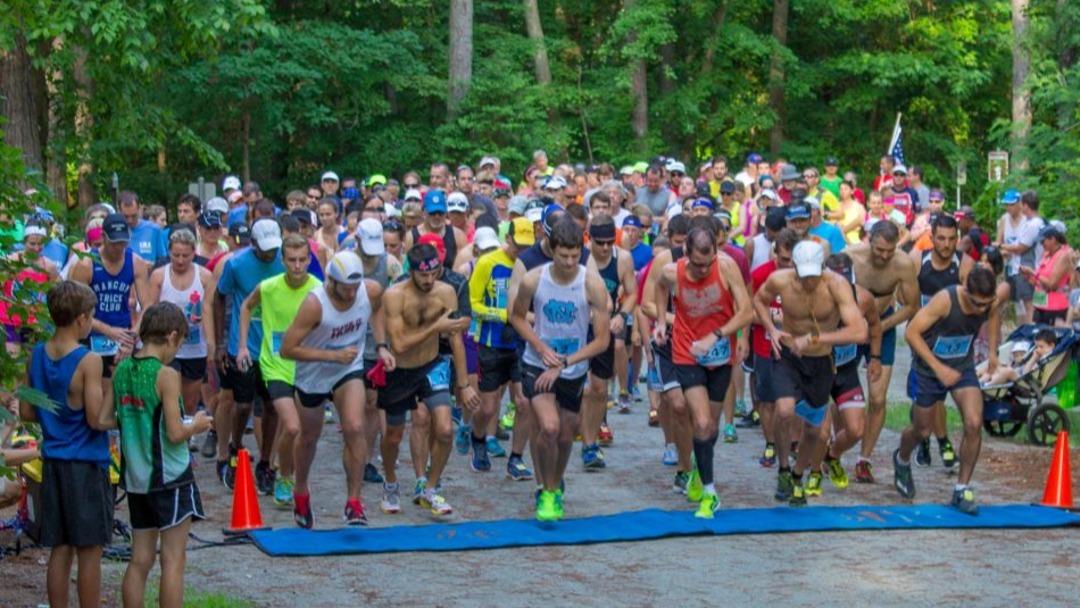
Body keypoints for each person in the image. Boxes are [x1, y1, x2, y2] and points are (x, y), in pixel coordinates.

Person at [105, 303, 212, 608]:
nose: (175, 352)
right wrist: (199, 425)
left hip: (136, 479)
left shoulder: (123, 368)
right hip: (170, 477)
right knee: (173, 560)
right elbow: (176, 433)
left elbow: (102, 419)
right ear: (172, 336)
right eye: (178, 346)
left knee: (140, 559)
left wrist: (134, 417)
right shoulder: (166, 375)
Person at [279, 251, 393, 525]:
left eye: (356, 287)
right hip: (313, 373)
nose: (353, 293)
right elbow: (287, 349)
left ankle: (354, 502)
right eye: (346, 287)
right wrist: (331, 355)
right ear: (331, 282)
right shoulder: (314, 304)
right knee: (309, 436)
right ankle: (301, 490)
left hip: (347, 368)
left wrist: (380, 346)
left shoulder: (370, 290)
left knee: (354, 427)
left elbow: (377, 309)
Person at [511, 218, 611, 521]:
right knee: (549, 427)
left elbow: (603, 340)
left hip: (572, 368)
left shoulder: (592, 283)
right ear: (551, 250)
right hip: (536, 363)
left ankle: (555, 482)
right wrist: (541, 348)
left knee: (567, 434)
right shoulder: (533, 280)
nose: (569, 262)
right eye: (562, 256)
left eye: (574, 256)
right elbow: (515, 317)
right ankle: (548, 489)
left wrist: (566, 362)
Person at [752, 241, 867, 506]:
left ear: (823, 268)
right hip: (788, 355)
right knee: (784, 410)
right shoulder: (780, 280)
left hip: (820, 361)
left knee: (815, 432)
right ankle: (782, 467)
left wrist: (816, 338)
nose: (810, 282)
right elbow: (759, 300)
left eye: (814, 275)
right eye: (804, 276)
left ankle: (797, 475)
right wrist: (771, 329)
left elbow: (859, 331)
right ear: (793, 267)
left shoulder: (836, 285)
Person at [20, 281, 111, 608]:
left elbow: (27, 410)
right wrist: (120, 411)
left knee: (60, 548)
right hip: (85, 463)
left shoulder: (36, 355)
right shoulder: (89, 360)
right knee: (89, 550)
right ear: (82, 319)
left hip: (54, 461)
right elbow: (95, 419)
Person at [652, 224, 753, 517]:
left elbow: (747, 311)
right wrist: (661, 321)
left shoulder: (726, 268)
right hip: (687, 351)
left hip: (719, 354)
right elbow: (659, 286)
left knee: (710, 427)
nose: (701, 270)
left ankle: (699, 466)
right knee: (702, 422)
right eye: (696, 264)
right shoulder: (673, 272)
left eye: (707, 263)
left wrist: (717, 335)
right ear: (686, 253)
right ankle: (710, 493)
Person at [894, 266, 1001, 514]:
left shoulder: (990, 303)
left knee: (974, 423)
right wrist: (938, 368)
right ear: (966, 291)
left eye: (986, 304)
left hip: (962, 366)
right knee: (922, 430)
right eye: (976, 303)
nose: (981, 309)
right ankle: (901, 458)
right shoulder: (945, 300)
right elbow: (911, 333)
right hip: (929, 369)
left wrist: (993, 352)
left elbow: (993, 317)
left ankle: (962, 489)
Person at [380, 243, 478, 515]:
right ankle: (390, 482)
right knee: (393, 435)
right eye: (423, 275)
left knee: (446, 430)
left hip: (432, 365)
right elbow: (398, 344)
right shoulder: (395, 295)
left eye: (434, 273)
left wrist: (464, 384)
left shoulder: (446, 292)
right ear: (411, 272)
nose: (428, 280)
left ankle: (431, 488)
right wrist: (436, 327)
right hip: (400, 369)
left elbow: (456, 337)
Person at [237, 234, 321, 512]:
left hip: (306, 367)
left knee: (302, 431)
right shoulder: (268, 287)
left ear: (309, 260)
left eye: (302, 260)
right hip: (275, 364)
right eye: (292, 260)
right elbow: (246, 307)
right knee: (293, 425)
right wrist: (242, 346)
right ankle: (284, 476)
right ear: (283, 261)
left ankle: (288, 474)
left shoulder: (318, 289)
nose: (297, 266)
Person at [211, 218, 284, 492]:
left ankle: (265, 461)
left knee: (273, 406)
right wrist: (219, 344)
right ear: (252, 244)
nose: (269, 254)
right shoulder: (237, 264)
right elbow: (219, 297)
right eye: (264, 249)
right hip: (242, 345)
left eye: (273, 249)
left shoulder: (286, 261)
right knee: (241, 405)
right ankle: (234, 448)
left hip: (274, 346)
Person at [847, 221, 919, 483]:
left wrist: (880, 327)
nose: (884, 256)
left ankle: (864, 459)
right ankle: (831, 446)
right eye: (879, 250)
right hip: (851, 327)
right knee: (838, 394)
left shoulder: (903, 264)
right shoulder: (850, 256)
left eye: (890, 251)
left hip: (884, 327)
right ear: (869, 240)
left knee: (877, 399)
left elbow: (911, 306)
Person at [467, 218, 536, 480]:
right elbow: (472, 304)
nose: (522, 251)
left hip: (519, 344)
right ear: (508, 239)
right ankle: (478, 439)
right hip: (491, 342)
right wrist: (503, 315)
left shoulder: (530, 264)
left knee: (523, 402)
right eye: (518, 245)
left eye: (527, 246)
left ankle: (516, 458)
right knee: (488, 407)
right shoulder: (488, 262)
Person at [807, 253, 882, 495]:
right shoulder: (810, 300)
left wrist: (875, 358)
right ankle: (815, 472)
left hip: (846, 370)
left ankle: (833, 456)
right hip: (818, 370)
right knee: (822, 432)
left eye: (845, 284)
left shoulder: (863, 298)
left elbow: (876, 326)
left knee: (856, 430)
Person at [908, 214, 972, 469]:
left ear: (957, 239)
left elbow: (972, 302)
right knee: (928, 396)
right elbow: (906, 298)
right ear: (931, 238)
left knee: (938, 397)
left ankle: (938, 440)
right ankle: (933, 439)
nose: (946, 244)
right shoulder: (917, 260)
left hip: (951, 339)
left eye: (951, 239)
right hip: (922, 337)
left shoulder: (964, 264)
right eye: (941, 238)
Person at [580, 215, 638, 470]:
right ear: (589, 239)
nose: (604, 248)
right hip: (580, 328)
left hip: (606, 326)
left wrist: (622, 316)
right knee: (584, 388)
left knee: (600, 389)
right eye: (599, 242)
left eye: (608, 242)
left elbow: (632, 293)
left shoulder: (622, 259)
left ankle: (590, 441)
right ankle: (587, 442)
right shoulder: (580, 258)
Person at [69, 213, 153, 384]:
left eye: (123, 242)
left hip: (122, 334)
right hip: (91, 333)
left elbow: (148, 305)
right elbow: (76, 309)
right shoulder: (86, 263)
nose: (119, 247)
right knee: (93, 388)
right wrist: (109, 331)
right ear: (103, 238)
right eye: (114, 243)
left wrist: (132, 335)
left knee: (119, 387)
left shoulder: (136, 262)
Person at [147, 228, 215, 430]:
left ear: (194, 253)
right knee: (171, 394)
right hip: (166, 346)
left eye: (185, 255)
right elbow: (150, 307)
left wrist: (211, 342)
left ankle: (186, 439)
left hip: (195, 344)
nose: (180, 260)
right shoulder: (159, 275)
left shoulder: (205, 276)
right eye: (176, 255)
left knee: (190, 401)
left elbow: (210, 309)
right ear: (169, 252)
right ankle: (170, 434)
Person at [748, 228, 800, 468]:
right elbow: (749, 311)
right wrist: (776, 320)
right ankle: (770, 444)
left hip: (796, 349)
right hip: (764, 344)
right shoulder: (760, 275)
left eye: (791, 260)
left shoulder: (805, 275)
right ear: (774, 254)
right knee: (767, 400)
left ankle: (793, 444)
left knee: (796, 401)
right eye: (782, 260)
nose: (787, 265)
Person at [1022, 222, 1071, 326]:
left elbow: (1052, 284)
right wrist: (1029, 277)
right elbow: (1039, 280)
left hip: (1055, 307)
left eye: (1043, 241)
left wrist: (1033, 272)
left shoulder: (1063, 255)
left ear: (1052, 239)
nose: (1041, 244)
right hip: (1041, 304)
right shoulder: (1046, 254)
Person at [979, 330, 1056, 385]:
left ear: (1051, 346)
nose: (1038, 349)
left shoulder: (1049, 358)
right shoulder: (1037, 354)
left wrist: (1033, 359)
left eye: (1041, 346)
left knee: (1008, 371)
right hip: (1019, 374)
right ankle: (980, 382)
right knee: (993, 367)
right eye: (1037, 346)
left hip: (1027, 382)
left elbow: (1026, 374)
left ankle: (987, 386)